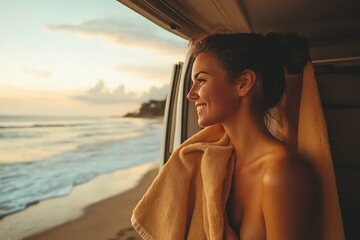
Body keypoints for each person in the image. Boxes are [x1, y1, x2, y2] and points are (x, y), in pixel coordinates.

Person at [186, 33, 322, 240]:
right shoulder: (216, 165)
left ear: (243, 83)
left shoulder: (282, 170)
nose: (191, 94)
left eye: (201, 80)